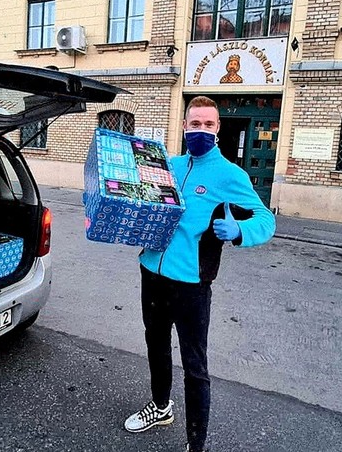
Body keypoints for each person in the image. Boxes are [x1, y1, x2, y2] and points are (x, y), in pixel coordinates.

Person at [123, 96, 275, 452]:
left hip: (191, 286)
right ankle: (160, 408)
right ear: (185, 126)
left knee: (195, 366)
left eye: (208, 124)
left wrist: (240, 231)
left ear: (218, 129)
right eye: (195, 124)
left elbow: (266, 219)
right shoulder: (169, 165)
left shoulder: (229, 175)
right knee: (156, 346)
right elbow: (142, 201)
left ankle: (196, 444)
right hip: (152, 274)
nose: (201, 130)